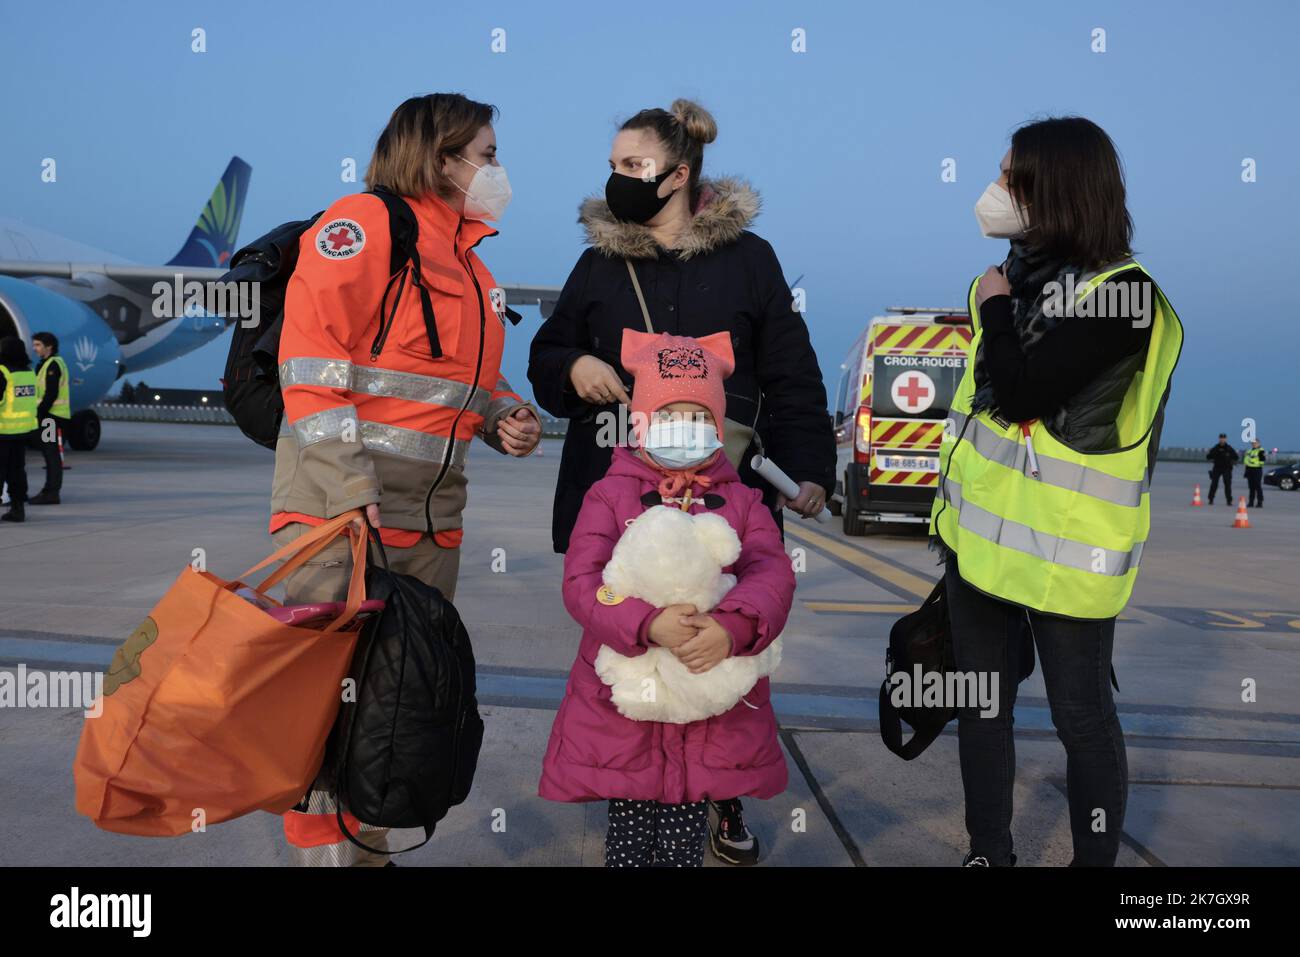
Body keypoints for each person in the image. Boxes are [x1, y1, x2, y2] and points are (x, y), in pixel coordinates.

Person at [527, 99, 834, 862]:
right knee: (632, 662)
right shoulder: (600, 262)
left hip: (722, 501)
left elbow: (792, 373)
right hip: (618, 492)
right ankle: (637, 801)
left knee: (719, 651)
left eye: (634, 164)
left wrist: (808, 472)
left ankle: (721, 799)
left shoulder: (750, 260)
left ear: (679, 173)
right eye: (614, 163)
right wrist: (573, 363)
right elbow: (547, 350)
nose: (618, 177)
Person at [271, 93, 541, 866]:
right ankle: (326, 861)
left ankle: (368, 852)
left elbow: (451, 388)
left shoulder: (474, 269)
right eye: (487, 154)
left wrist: (503, 417)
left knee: (393, 709)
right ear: (440, 155)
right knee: (323, 709)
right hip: (340, 516)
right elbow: (312, 372)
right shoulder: (362, 229)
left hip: (430, 528)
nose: (497, 170)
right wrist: (351, 489)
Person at [931, 117, 1183, 866]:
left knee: (1081, 717)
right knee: (982, 703)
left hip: (1067, 554)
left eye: (1010, 177)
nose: (996, 189)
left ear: (1058, 188)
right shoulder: (1020, 274)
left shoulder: (1124, 297)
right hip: (981, 542)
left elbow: (1021, 392)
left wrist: (994, 307)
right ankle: (989, 851)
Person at [538, 331, 795, 867]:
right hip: (624, 708)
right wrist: (643, 623)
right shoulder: (609, 495)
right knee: (630, 837)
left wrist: (733, 627)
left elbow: (770, 573)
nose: (688, 428)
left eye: (700, 417)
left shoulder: (744, 501)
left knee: (683, 835)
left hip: (708, 703)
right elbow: (583, 582)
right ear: (642, 422)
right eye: (671, 414)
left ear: (720, 427)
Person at [29, 332, 70, 506]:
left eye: (38, 345)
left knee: (50, 455)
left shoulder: (53, 365)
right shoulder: (45, 364)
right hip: (49, 416)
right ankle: (50, 491)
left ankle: (51, 492)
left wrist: (39, 413)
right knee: (49, 453)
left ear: (49, 346)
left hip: (51, 417)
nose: (34, 348)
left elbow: (51, 394)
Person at [0, 337, 38, 523]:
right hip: (22, 431)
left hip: (2, 429)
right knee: (17, 471)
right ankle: (18, 509)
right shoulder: (29, 373)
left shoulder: (3, 372)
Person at [1206, 434, 1239, 506]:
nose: (1222, 440)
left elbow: (1236, 457)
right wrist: (1211, 457)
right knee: (1214, 484)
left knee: (1227, 485)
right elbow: (1208, 457)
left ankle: (1229, 501)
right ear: (1219, 439)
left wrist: (1232, 461)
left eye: (1223, 438)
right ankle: (1211, 499)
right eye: (1221, 438)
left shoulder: (1229, 448)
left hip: (1227, 469)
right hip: (1217, 468)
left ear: (1226, 439)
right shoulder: (1215, 448)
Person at [1243, 438, 1266, 508]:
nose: (1254, 444)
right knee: (1251, 487)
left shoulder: (1261, 450)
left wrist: (1254, 462)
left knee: (1257, 486)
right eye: (1253, 443)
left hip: (1257, 469)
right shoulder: (1249, 451)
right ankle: (1251, 502)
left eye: (1255, 443)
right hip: (1249, 469)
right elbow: (1245, 460)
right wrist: (1249, 463)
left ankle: (1260, 502)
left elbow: (1262, 461)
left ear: (1258, 443)